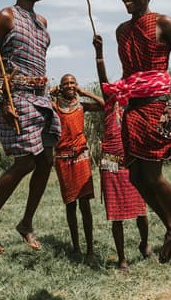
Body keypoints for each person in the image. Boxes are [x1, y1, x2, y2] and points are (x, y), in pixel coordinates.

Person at [0, 0, 61, 254]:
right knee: (25, 162)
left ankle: (26, 223)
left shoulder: (42, 21)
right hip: (16, 96)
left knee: (46, 160)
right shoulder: (5, 17)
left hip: (41, 96)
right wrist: (1, 99)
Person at [114, 0, 171, 268]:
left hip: (156, 107)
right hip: (132, 109)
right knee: (137, 178)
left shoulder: (165, 23)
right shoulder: (121, 31)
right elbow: (128, 74)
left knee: (153, 175)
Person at [93, 35, 152, 272]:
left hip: (133, 161)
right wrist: (99, 54)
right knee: (116, 215)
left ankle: (145, 244)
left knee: (141, 210)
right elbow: (103, 79)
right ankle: (122, 258)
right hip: (111, 161)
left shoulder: (138, 105)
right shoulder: (110, 102)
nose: (121, 87)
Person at [50, 74, 103, 258]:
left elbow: (105, 105)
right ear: (61, 87)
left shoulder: (82, 106)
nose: (70, 86)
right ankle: (76, 247)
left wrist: (84, 92)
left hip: (81, 157)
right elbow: (40, 102)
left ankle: (89, 248)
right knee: (70, 204)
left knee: (85, 204)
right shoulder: (55, 106)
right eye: (66, 83)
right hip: (63, 159)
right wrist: (51, 92)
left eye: (73, 83)